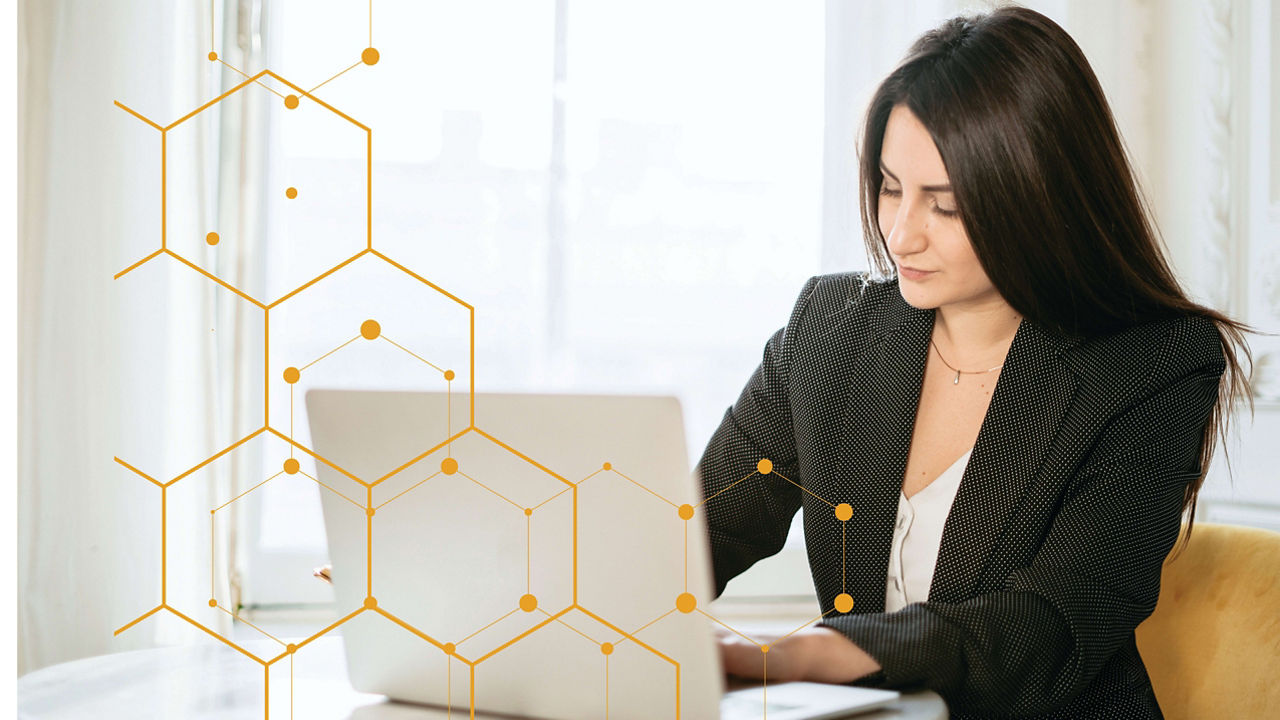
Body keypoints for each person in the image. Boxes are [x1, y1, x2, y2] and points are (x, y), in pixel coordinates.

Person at [700, 5, 1255, 718]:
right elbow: (703, 528)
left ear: (1040, 195)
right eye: (891, 187)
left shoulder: (1155, 364)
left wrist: (825, 650)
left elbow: (1053, 623)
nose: (900, 235)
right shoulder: (830, 331)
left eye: (948, 206)